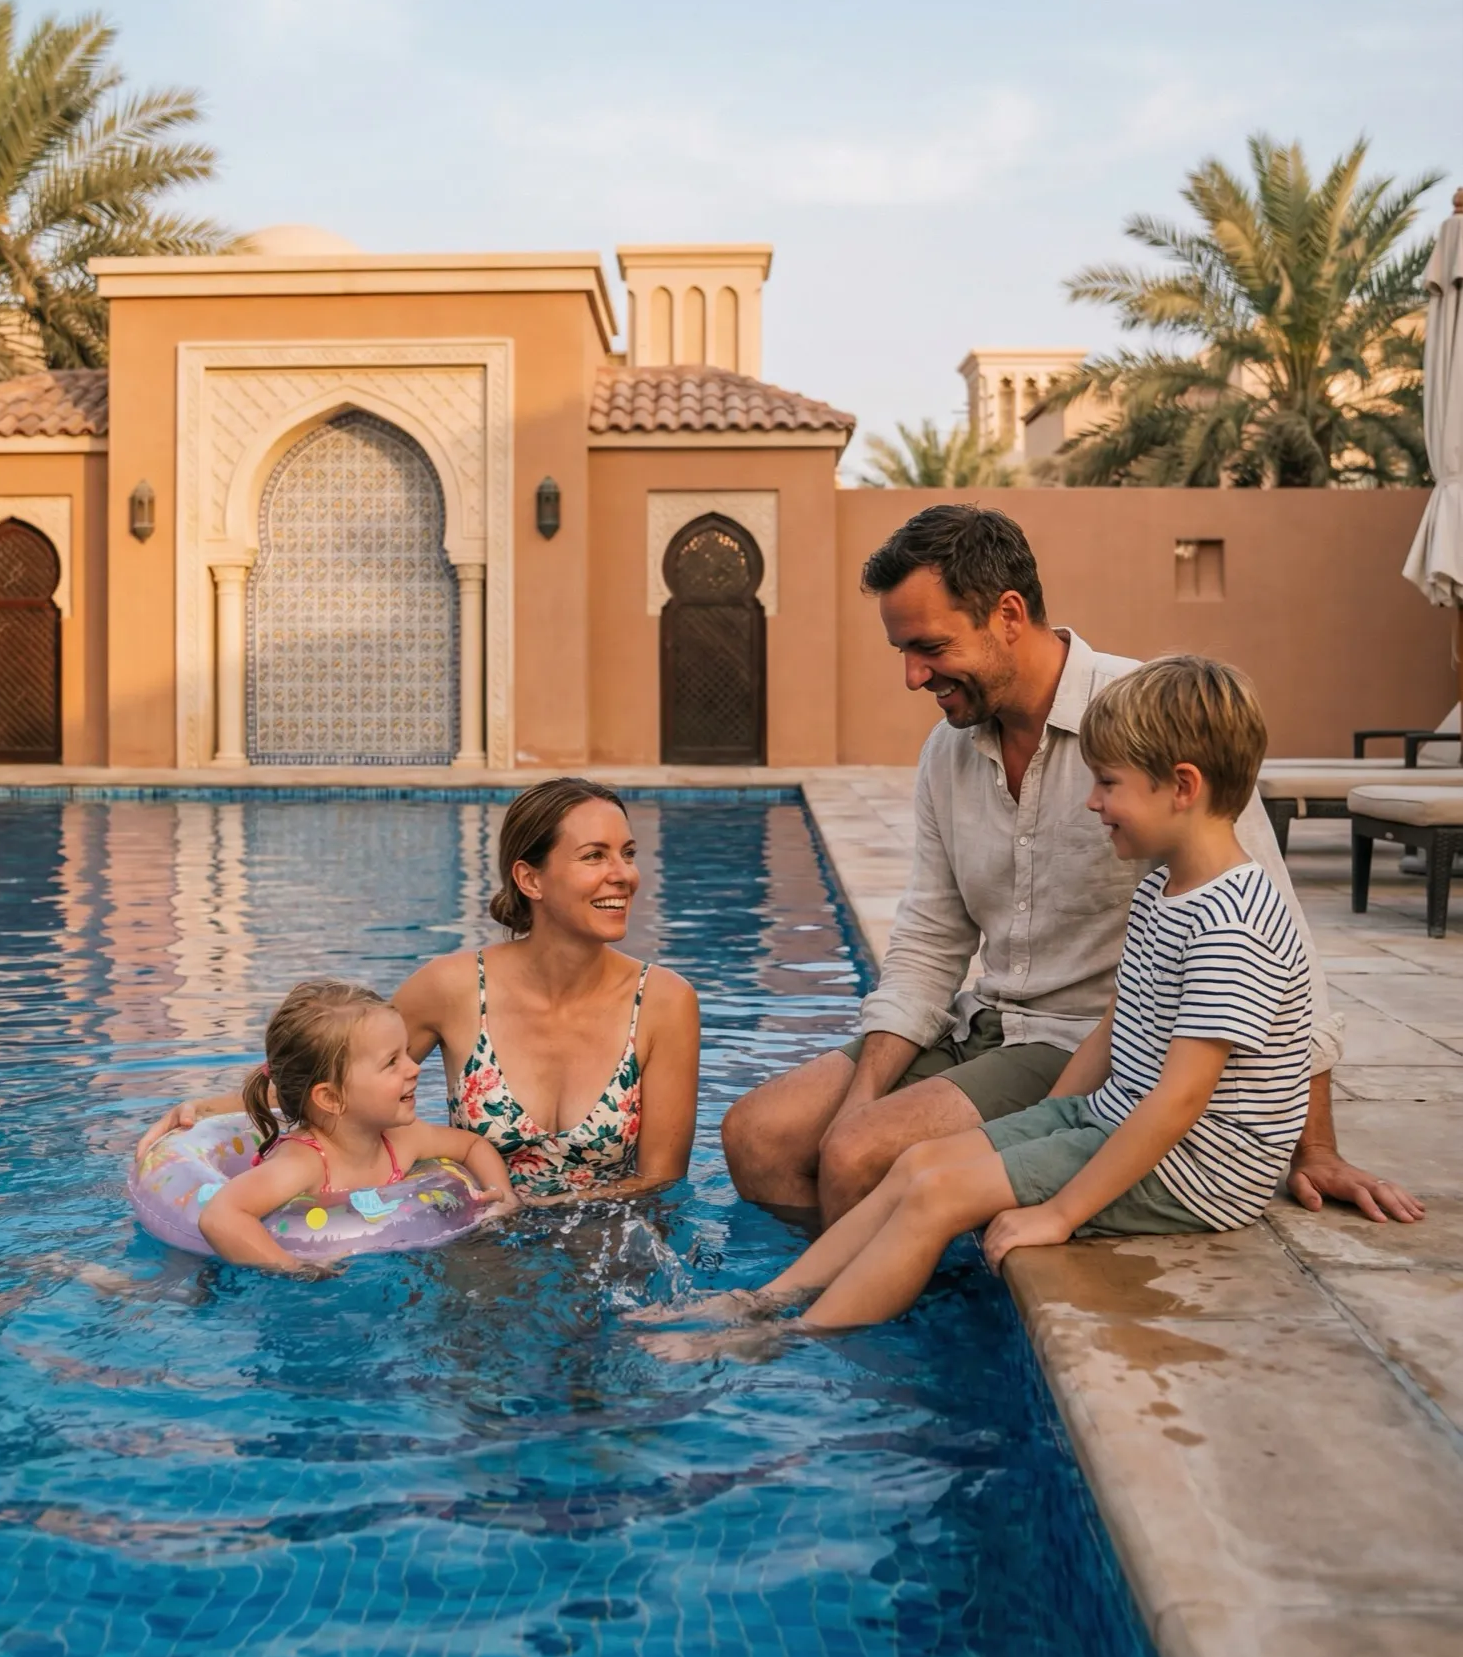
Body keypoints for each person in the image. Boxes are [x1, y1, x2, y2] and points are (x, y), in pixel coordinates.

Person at [721, 506, 1423, 1229]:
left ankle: (882, 1319)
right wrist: (865, 1088)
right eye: (902, 650)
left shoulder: (1149, 721)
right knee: (759, 1135)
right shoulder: (948, 753)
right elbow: (932, 938)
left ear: (1008, 614)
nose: (911, 675)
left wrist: (1317, 1147)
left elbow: (1281, 937)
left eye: (929, 647)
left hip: (1086, 1049)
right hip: (985, 1025)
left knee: (858, 1152)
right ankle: (825, 1296)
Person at [649, 656, 1313, 1337]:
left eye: (1108, 784)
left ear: (1182, 787)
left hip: (1197, 1169)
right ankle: (763, 1299)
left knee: (938, 1193)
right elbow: (1117, 1026)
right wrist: (1044, 1125)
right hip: (1106, 1117)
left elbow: (1179, 1102)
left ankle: (785, 1337)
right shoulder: (1161, 887)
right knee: (918, 1163)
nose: (1092, 802)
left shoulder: (1233, 922)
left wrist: (1059, 1211)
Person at [140, 778, 702, 1203]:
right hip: (476, 1243)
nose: (623, 875)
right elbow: (337, 1073)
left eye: (627, 854)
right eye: (594, 856)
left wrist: (540, 1216)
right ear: (529, 879)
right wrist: (207, 1109)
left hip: (602, 1241)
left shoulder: (664, 1002)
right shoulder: (454, 988)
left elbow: (659, 1182)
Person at [198, 978, 516, 1271]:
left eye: (406, 1053)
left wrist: (504, 1199)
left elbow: (471, 1144)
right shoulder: (304, 1164)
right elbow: (220, 1217)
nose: (414, 1068)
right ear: (332, 1098)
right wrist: (296, 1269)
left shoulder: (403, 1137)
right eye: (392, 1062)